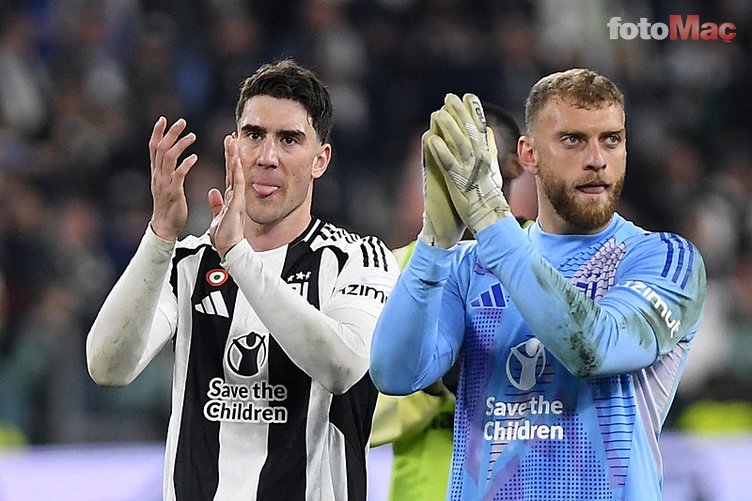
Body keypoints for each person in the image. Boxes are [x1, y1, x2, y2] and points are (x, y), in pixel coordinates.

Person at [369, 68, 707, 500]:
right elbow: (395, 374)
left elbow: (594, 348)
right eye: (573, 140)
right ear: (528, 155)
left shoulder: (664, 259)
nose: (597, 159)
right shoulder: (468, 267)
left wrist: (489, 216)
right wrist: (434, 243)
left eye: (611, 139)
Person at [86, 59, 399, 501]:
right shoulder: (188, 263)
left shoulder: (359, 258)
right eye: (254, 135)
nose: (267, 157)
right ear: (233, 145)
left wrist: (238, 256)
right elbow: (107, 367)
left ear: (320, 160)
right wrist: (160, 235)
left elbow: (342, 367)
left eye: (289, 139)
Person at [370, 103, 528, 501]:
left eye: (477, 148)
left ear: (516, 165)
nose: (460, 163)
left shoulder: (541, 267)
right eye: (445, 151)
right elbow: (359, 416)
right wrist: (428, 384)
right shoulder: (392, 269)